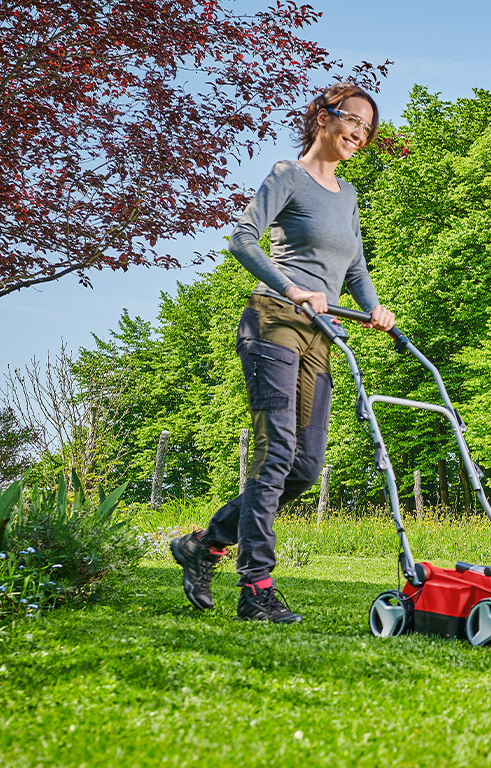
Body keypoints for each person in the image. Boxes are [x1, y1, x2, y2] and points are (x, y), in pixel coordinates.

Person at [170, 82, 395, 623]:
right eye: (353, 122)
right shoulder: (285, 176)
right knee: (275, 454)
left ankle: (205, 543)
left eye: (368, 129)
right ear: (323, 117)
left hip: (322, 332)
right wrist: (291, 287)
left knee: (305, 468)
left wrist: (376, 308)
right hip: (274, 319)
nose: (360, 135)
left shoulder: (348, 196)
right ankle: (256, 591)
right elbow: (242, 239)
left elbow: (356, 268)